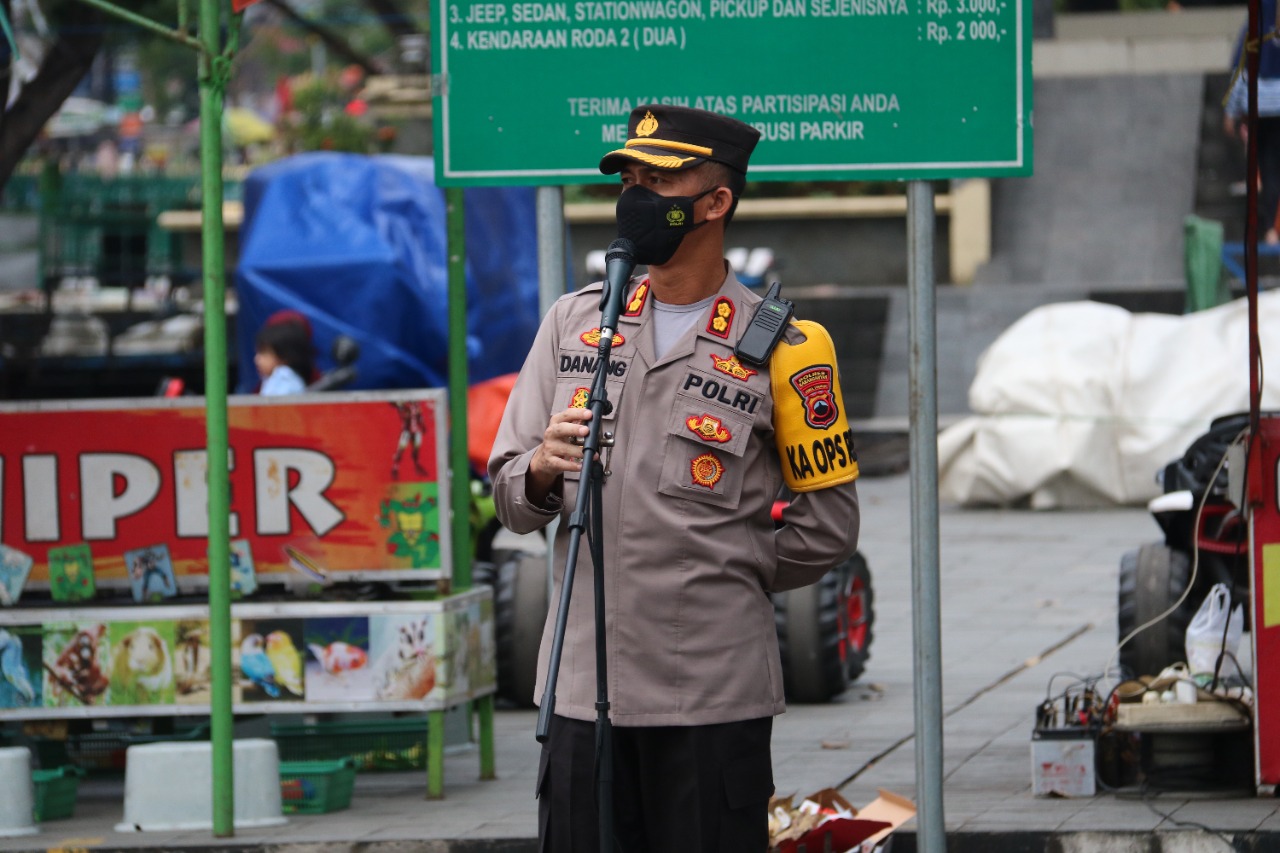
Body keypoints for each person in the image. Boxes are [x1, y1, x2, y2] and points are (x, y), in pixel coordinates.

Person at [488, 104, 861, 852]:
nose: (636, 194)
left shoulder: (787, 345)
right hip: (577, 694)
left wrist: (719, 565)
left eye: (659, 177)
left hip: (711, 697)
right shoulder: (572, 324)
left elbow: (829, 525)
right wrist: (536, 471)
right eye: (629, 176)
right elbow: (508, 493)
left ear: (716, 201)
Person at [1225, 4, 1280, 244]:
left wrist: (1231, 111)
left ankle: (1269, 228)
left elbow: (1241, 67)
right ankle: (1270, 226)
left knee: (1268, 169)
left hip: (1261, 103)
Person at [254, 311, 315, 396]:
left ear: (284, 356)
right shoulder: (266, 381)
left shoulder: (284, 378)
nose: (257, 359)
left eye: (264, 353)